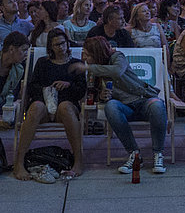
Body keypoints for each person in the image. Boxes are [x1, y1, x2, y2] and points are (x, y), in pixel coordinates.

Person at [72, 36, 168, 174]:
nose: (84, 58)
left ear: (97, 54)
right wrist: (101, 96)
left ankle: (158, 153)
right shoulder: (93, 72)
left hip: (143, 100)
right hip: (125, 107)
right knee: (110, 106)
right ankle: (135, 155)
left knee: (158, 105)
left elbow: (117, 71)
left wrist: (88, 67)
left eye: (87, 54)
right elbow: (95, 92)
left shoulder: (117, 57)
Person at [13, 29, 87, 180]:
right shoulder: (43, 63)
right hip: (44, 105)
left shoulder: (75, 64)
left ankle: (78, 161)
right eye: (56, 45)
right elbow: (32, 87)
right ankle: (19, 162)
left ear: (67, 43)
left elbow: (81, 91)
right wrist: (48, 90)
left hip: (66, 106)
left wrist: (68, 85)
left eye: (63, 43)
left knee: (65, 106)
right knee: (36, 107)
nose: (61, 47)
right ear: (51, 47)